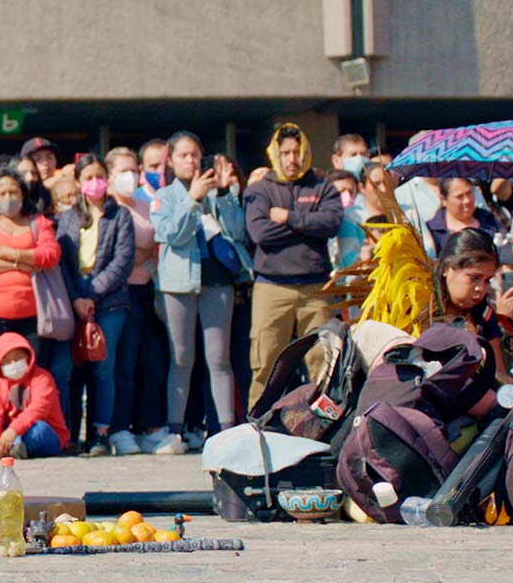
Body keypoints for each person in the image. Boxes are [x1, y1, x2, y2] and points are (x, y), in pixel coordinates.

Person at [149, 132, 246, 455]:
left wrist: (223, 191)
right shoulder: (165, 195)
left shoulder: (216, 193)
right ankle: (175, 430)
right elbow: (169, 235)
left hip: (218, 281)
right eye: (184, 156)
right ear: (172, 161)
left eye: (195, 155)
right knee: (181, 357)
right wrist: (191, 199)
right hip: (178, 282)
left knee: (219, 358)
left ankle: (226, 431)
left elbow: (238, 230)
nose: (191, 161)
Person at [241, 123, 344, 404]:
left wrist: (288, 217)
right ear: (275, 153)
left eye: (297, 151)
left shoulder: (323, 187)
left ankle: (323, 429)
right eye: (285, 152)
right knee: (266, 363)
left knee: (323, 362)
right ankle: (258, 425)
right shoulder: (260, 190)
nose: (292, 158)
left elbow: (331, 223)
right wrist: (309, 224)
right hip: (272, 287)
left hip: (316, 288)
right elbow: (260, 232)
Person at [0, 165, 71, 425]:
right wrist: (23, 263)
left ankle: (31, 428)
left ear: (23, 195)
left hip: (34, 318)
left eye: (13, 191)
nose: (8, 197)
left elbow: (50, 255)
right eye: (1, 192)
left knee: (33, 375)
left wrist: (10, 253)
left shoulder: (38, 223)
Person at [59, 156, 137, 456]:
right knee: (75, 366)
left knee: (104, 364)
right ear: (78, 182)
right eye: (88, 177)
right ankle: (71, 432)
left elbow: (122, 261)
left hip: (110, 301)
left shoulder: (121, 216)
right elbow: (62, 263)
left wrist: (92, 294)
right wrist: (76, 297)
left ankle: (100, 432)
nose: (95, 182)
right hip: (73, 297)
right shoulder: (67, 218)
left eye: (100, 176)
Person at [103, 148, 168, 454]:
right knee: (124, 364)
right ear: (110, 175)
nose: (130, 175)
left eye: (134, 169)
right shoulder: (109, 209)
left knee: (152, 360)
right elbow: (122, 254)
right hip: (120, 293)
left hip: (149, 291)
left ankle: (150, 425)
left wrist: (141, 255)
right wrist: (140, 254)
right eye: (122, 170)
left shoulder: (145, 204)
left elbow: (158, 246)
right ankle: (120, 427)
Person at [0, 332, 70, 459]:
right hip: (7, 433)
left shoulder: (43, 378)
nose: (13, 364)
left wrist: (14, 430)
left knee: (40, 430)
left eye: (17, 358)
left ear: (27, 356)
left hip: (37, 430)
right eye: (6, 361)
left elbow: (38, 409)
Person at [432, 228, 513, 368]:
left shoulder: (484, 315)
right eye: (474, 278)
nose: (481, 288)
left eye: (487, 280)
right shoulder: (421, 309)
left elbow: (498, 373)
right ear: (446, 269)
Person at [425, 178, 503, 257]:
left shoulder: (489, 220)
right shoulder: (434, 231)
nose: (467, 200)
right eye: (459, 196)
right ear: (444, 199)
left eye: (469, 193)